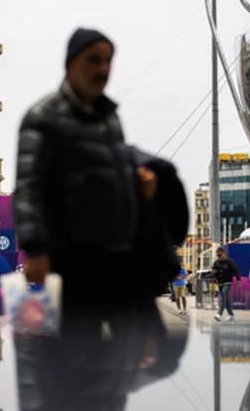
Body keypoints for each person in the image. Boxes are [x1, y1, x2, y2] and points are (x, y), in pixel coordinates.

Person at [12, 28, 189, 410]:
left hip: (115, 265)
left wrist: (140, 190)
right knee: (61, 363)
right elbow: (28, 189)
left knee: (116, 367)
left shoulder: (110, 121)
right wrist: (36, 249)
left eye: (108, 60)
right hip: (68, 265)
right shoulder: (44, 119)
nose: (103, 68)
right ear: (71, 63)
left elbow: (109, 183)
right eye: (93, 59)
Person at [211, 247, 241, 322]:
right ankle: (231, 314)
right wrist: (215, 278)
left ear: (223, 253)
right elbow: (214, 272)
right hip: (220, 282)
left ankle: (219, 314)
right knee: (225, 298)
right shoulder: (216, 262)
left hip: (228, 281)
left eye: (220, 255)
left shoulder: (230, 261)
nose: (219, 256)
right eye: (218, 255)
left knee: (224, 293)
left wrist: (238, 281)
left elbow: (236, 270)